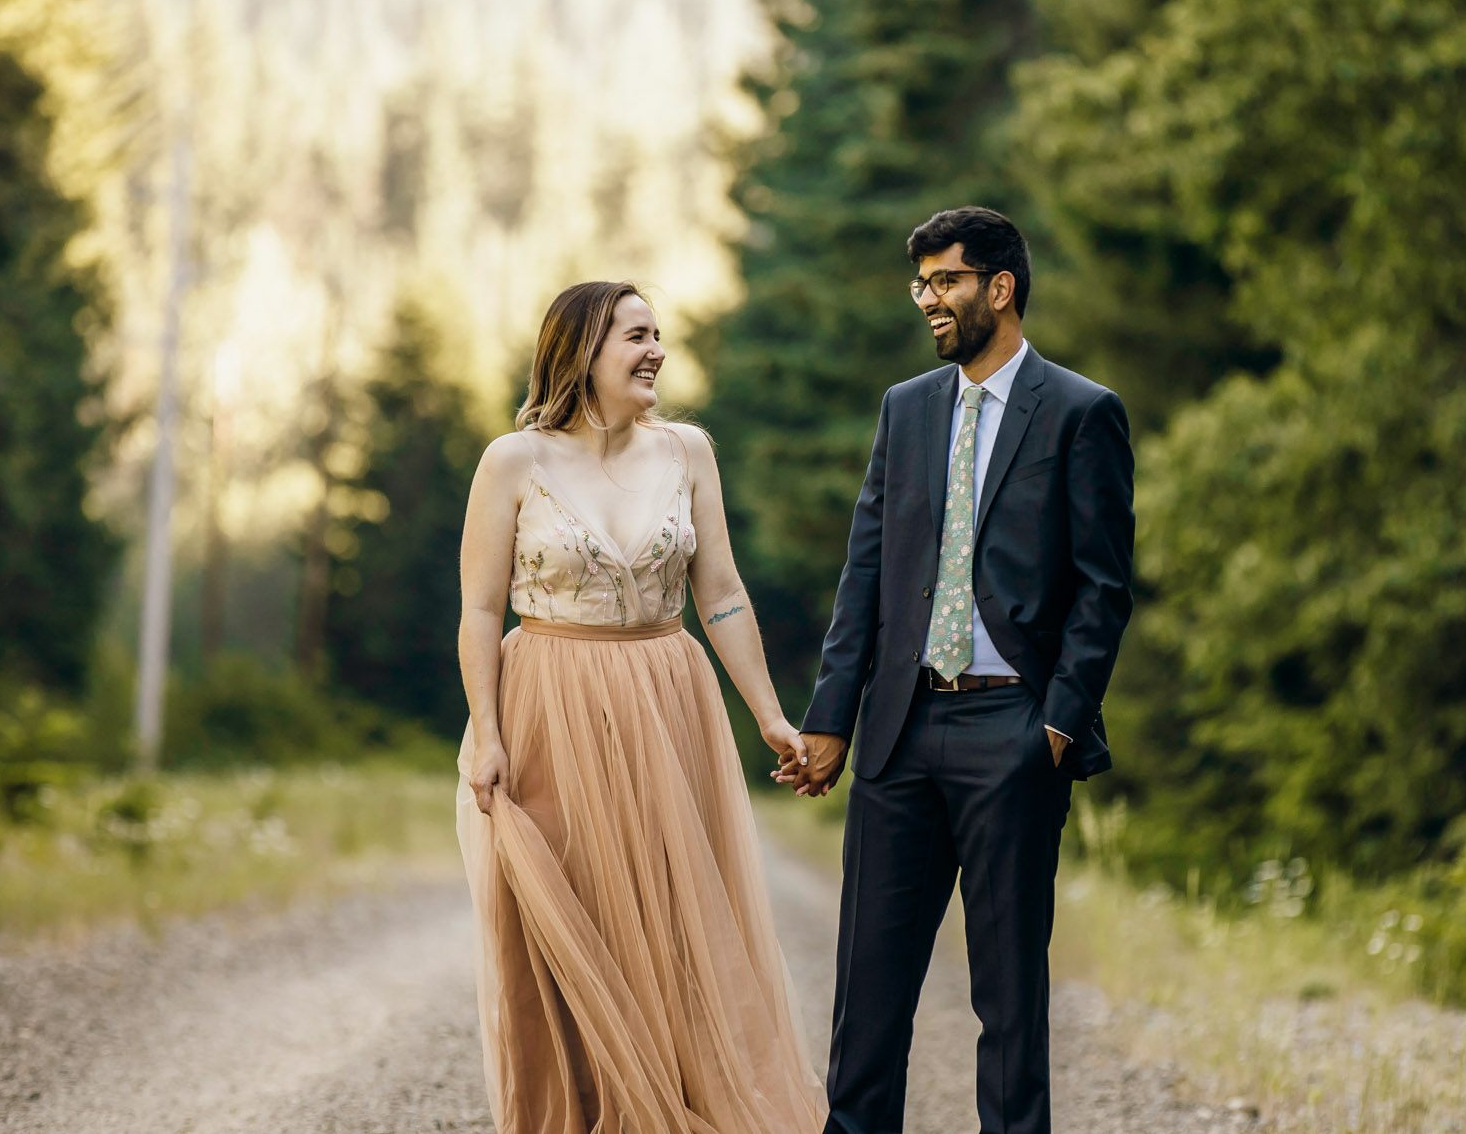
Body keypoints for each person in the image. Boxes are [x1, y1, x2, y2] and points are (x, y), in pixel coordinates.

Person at [778, 207, 1135, 1134]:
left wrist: (1055, 724)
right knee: (868, 998)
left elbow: (1104, 588)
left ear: (1000, 287)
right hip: (899, 732)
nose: (928, 301)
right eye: (921, 285)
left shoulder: (1082, 412)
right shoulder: (906, 408)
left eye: (945, 282)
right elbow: (866, 573)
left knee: (1009, 1000)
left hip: (1013, 729)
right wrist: (833, 719)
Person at [454, 280, 827, 1134]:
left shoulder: (688, 450)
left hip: (668, 700)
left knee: (671, 917)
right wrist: (489, 732)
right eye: (636, 335)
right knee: (563, 919)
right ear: (581, 349)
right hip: (549, 699)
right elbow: (479, 608)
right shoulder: (514, 461)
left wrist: (769, 714)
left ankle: (671, 1107)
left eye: (659, 334)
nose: (656, 349)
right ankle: (574, 1114)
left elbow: (722, 594)